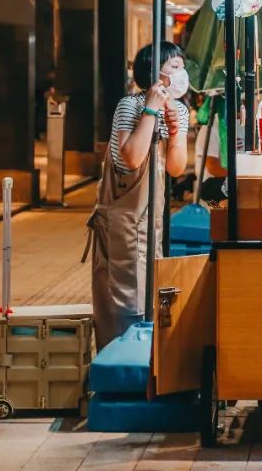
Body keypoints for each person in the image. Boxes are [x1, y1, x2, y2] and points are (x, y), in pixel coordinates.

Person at [89, 41, 189, 349]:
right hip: (122, 220)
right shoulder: (129, 106)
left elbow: (176, 168)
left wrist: (174, 134)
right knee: (122, 303)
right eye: (174, 67)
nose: (182, 73)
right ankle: (118, 363)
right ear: (154, 73)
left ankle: (146, 362)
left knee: (148, 297)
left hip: (151, 222)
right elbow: (128, 159)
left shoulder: (181, 111)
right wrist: (150, 109)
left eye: (182, 67)